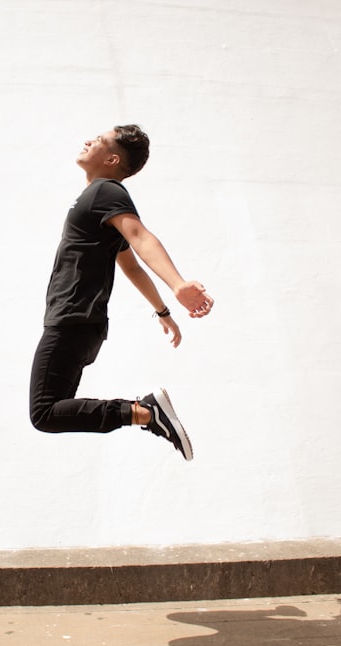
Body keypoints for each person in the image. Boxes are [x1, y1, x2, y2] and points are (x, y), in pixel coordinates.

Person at [29, 124, 214, 460]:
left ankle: (145, 411)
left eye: (98, 141)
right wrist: (163, 312)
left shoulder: (105, 192)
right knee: (53, 410)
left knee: (44, 413)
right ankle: (143, 412)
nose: (88, 140)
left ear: (113, 159)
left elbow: (140, 237)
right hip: (82, 322)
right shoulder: (96, 202)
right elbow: (129, 265)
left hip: (72, 318)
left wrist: (177, 285)